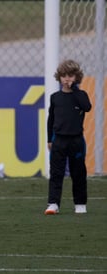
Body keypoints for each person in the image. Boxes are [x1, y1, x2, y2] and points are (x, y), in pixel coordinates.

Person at [45, 60, 92, 215]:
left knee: (78, 172)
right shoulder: (55, 97)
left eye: (70, 76)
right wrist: (49, 139)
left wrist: (76, 89)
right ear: (59, 77)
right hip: (59, 140)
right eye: (64, 76)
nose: (67, 79)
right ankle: (53, 204)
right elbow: (51, 119)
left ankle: (80, 203)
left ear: (76, 77)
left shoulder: (81, 95)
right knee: (56, 173)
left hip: (76, 140)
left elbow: (87, 107)